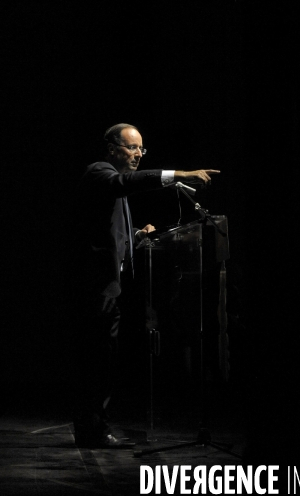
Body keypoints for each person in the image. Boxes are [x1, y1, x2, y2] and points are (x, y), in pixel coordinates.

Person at [71, 122, 220, 448]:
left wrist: (137, 235)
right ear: (112, 148)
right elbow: (122, 184)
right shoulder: (101, 172)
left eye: (141, 149)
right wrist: (177, 174)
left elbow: (108, 229)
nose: (138, 154)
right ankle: (92, 430)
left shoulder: (113, 187)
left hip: (110, 287)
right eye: (132, 147)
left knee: (104, 357)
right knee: (98, 359)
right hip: (98, 286)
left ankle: (94, 427)